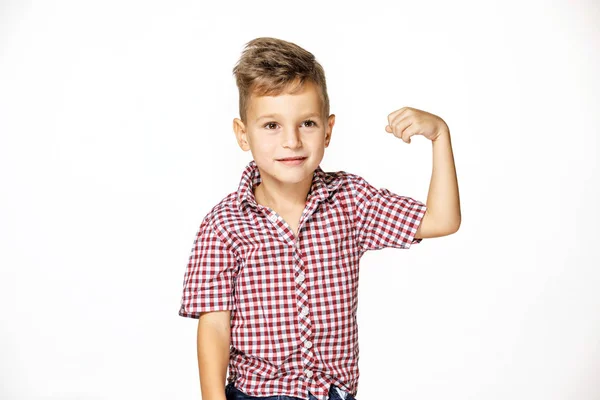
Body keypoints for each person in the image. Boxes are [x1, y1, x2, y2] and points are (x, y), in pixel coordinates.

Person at [178, 37, 461, 400]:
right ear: (242, 134)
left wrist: (440, 136)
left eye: (307, 123)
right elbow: (214, 327)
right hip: (256, 394)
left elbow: (442, 220)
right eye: (271, 126)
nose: (292, 141)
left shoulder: (351, 202)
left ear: (328, 129)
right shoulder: (224, 225)